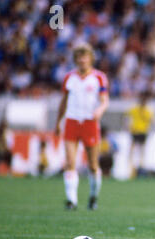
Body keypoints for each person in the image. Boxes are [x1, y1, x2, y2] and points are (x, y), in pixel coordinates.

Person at [54, 43, 109, 210]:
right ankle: (72, 201)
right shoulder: (69, 78)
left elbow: (104, 100)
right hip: (71, 121)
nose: (82, 60)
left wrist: (100, 109)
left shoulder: (99, 77)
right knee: (70, 162)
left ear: (91, 59)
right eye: (79, 57)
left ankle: (93, 197)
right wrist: (58, 122)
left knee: (92, 164)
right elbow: (63, 102)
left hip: (90, 122)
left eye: (85, 57)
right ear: (76, 59)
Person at [125, 91, 155, 178]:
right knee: (135, 151)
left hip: (141, 132)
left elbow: (151, 121)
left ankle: (140, 168)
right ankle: (132, 169)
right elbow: (152, 121)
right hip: (136, 131)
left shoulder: (145, 110)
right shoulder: (140, 109)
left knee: (140, 151)